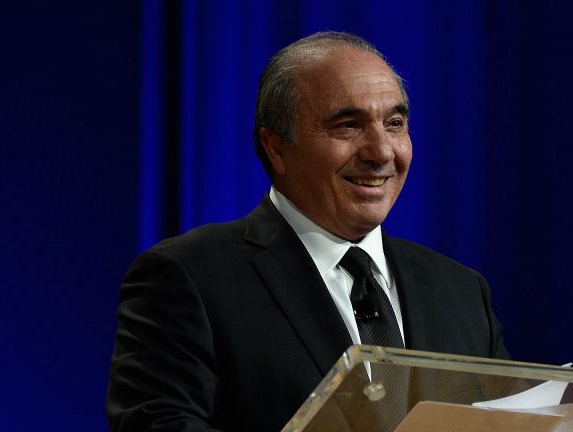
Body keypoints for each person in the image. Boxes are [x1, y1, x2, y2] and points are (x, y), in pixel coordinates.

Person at [107, 31, 509, 432]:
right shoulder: (189, 277)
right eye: (348, 125)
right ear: (276, 147)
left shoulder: (462, 292)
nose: (382, 151)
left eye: (394, 124)